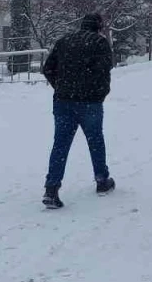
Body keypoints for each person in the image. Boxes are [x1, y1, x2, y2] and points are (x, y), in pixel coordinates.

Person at [40, 13, 115, 209]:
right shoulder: (100, 43)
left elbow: (48, 68)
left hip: (64, 102)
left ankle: (51, 189)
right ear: (98, 27)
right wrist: (99, 93)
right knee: (95, 140)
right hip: (90, 102)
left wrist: (61, 87)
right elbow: (105, 70)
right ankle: (101, 180)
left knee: (61, 145)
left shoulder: (64, 41)